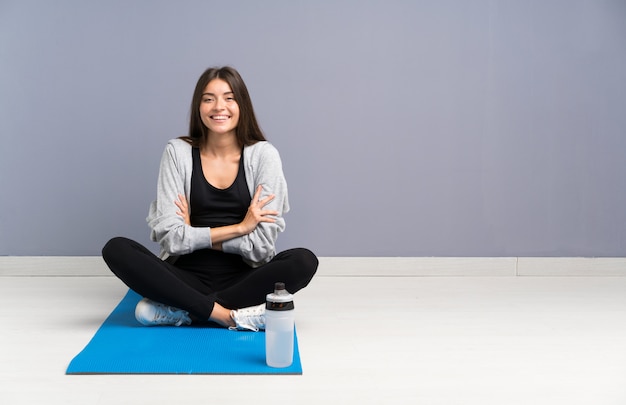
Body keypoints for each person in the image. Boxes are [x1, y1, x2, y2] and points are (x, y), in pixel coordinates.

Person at [102, 66, 318, 331]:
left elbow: (261, 246)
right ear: (198, 106)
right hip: (184, 275)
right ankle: (229, 316)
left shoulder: (264, 155)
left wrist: (193, 233)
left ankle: (187, 310)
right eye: (208, 99)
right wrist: (239, 228)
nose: (219, 107)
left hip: (245, 277)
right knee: (117, 249)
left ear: (242, 105)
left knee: (303, 261)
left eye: (229, 98)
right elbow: (171, 237)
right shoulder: (177, 152)